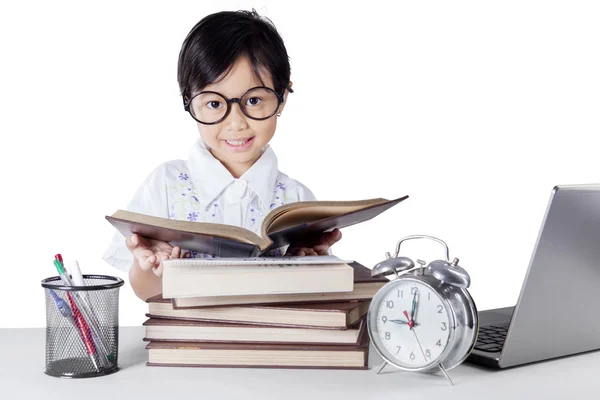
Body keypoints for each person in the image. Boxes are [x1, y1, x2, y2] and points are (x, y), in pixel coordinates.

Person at [102, 9, 342, 301]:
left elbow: (315, 299)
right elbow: (147, 292)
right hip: (190, 344)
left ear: (282, 98)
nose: (236, 122)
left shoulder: (298, 202)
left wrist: (308, 265)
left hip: (270, 343)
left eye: (253, 100)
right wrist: (149, 265)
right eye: (215, 104)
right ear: (189, 102)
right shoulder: (165, 185)